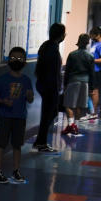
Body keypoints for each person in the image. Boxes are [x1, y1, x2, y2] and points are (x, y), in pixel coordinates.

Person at [0, 46, 35, 184]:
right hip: (5, 116)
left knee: (17, 145)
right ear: (8, 61)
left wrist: (29, 96)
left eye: (20, 58)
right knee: (1, 144)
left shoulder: (26, 80)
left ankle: (16, 170)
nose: (16, 61)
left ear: (24, 62)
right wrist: (3, 101)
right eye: (13, 58)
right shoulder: (2, 79)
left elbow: (30, 99)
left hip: (20, 117)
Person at [32, 23, 66, 153]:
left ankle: (40, 141)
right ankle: (41, 142)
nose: (65, 35)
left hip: (44, 84)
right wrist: (56, 88)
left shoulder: (47, 45)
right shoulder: (52, 48)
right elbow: (52, 71)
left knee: (49, 113)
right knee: (49, 113)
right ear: (60, 34)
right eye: (64, 33)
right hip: (49, 86)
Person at [62, 34, 96, 136]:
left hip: (73, 81)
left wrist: (65, 84)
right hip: (85, 83)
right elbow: (92, 73)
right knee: (79, 106)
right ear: (88, 43)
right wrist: (92, 87)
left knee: (68, 105)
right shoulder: (90, 56)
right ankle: (75, 127)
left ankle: (70, 125)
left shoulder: (72, 55)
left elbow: (67, 71)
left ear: (79, 42)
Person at [88, 26, 101, 119]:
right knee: (91, 91)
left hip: (96, 71)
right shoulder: (95, 44)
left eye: (92, 35)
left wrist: (92, 60)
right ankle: (91, 111)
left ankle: (94, 113)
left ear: (97, 35)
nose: (90, 37)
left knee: (94, 91)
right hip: (91, 70)